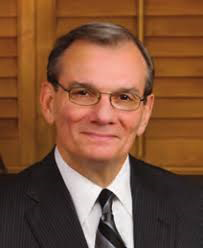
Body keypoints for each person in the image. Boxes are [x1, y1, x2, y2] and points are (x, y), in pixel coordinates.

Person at [0, 22, 201, 248]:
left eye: (124, 97)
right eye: (83, 93)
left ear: (145, 112)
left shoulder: (194, 208)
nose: (104, 116)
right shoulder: (6, 213)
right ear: (48, 102)